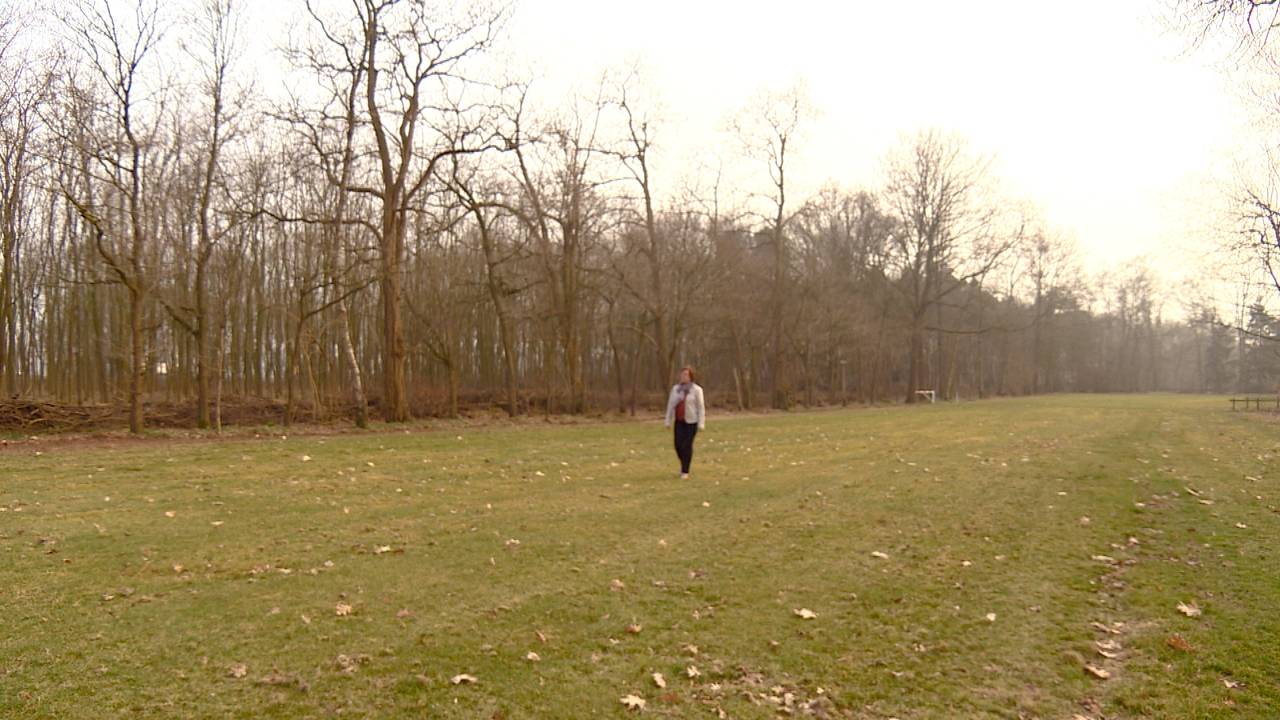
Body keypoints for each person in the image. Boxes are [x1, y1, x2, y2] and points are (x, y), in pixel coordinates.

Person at [664, 366, 706, 479]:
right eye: (682, 374)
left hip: (691, 421)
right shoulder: (676, 389)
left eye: (686, 375)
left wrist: (701, 423)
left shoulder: (697, 390)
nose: (683, 377)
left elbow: (701, 407)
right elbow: (670, 406)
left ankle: (685, 471)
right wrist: (667, 420)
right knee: (678, 445)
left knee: (686, 445)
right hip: (679, 421)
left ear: (691, 377)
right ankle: (684, 462)